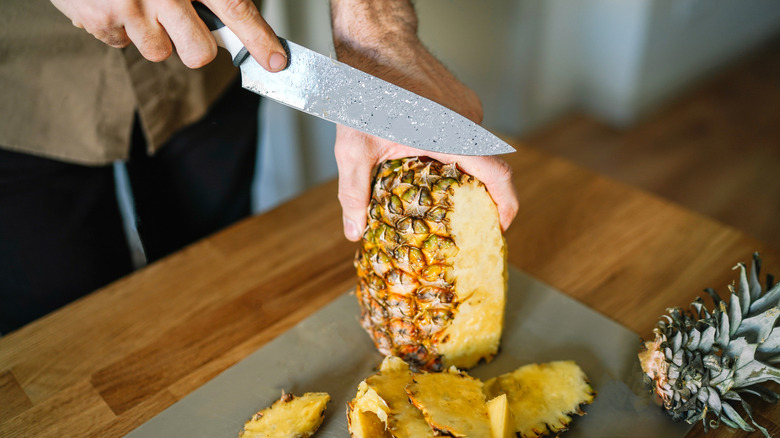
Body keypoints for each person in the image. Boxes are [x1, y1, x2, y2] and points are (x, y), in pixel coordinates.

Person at [0, 0, 518, 334]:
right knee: (62, 331)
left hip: (215, 50)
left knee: (218, 291)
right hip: (22, 91)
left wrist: (376, 32)